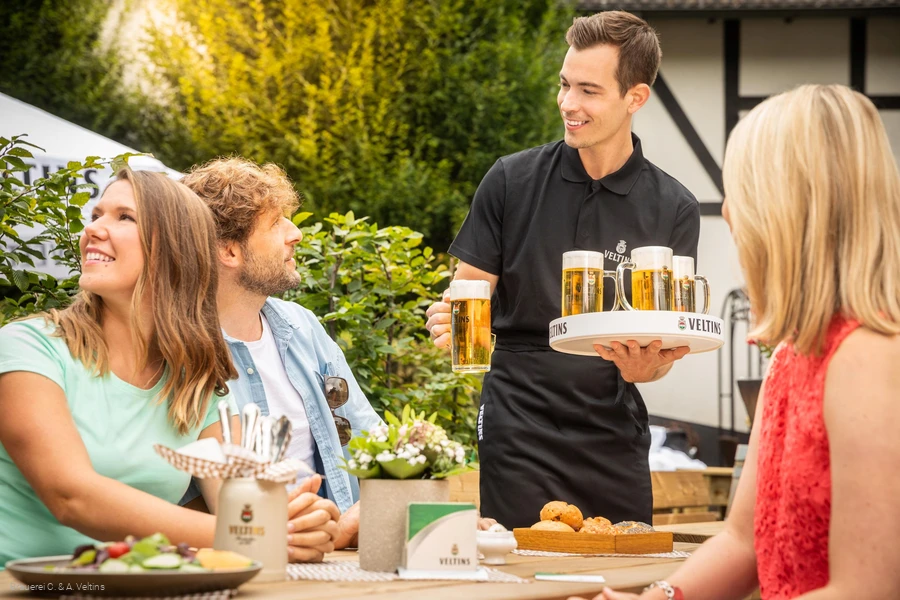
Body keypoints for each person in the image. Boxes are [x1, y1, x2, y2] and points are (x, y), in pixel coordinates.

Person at [586, 84, 900, 599]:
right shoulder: (791, 354)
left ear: (791, 207)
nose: (729, 211)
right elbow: (742, 541)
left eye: (742, 188)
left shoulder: (868, 354)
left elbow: (866, 589)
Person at [426, 11, 698, 529]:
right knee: (520, 563)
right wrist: (451, 321)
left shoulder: (674, 206)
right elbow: (467, 292)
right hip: (517, 417)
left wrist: (647, 368)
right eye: (565, 85)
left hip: (610, 426)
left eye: (588, 91)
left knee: (617, 566)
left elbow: (664, 348)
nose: (568, 104)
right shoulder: (510, 180)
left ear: (634, 97)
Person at [0, 169, 339, 565]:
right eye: (97, 215)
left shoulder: (194, 378)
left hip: (136, 586)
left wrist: (303, 523)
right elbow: (72, 497)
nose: (94, 230)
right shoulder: (28, 348)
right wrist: (252, 532)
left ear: (176, 249)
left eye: (124, 217)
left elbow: (241, 499)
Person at [181, 158, 384, 550]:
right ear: (228, 251)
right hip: (248, 561)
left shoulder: (302, 326)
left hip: (342, 558)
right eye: (275, 223)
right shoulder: (181, 349)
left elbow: (369, 437)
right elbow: (195, 498)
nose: (296, 234)